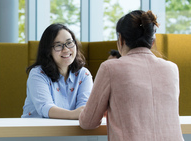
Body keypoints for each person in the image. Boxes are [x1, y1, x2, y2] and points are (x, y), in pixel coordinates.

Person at [79, 10, 184, 141]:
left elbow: (88, 123)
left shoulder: (110, 67)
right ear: (152, 42)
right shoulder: (172, 69)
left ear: (121, 40)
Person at [21, 23, 93, 119]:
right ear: (48, 50)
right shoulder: (37, 73)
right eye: (58, 45)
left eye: (69, 43)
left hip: (70, 131)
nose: (66, 49)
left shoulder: (84, 74)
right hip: (37, 131)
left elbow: (84, 107)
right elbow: (45, 107)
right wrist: (73, 114)